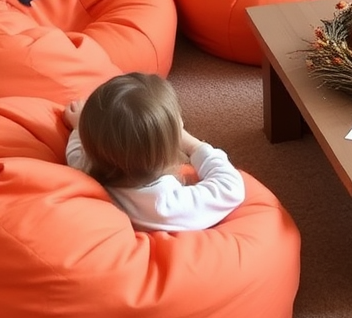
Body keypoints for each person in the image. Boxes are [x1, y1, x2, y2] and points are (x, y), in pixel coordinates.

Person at [63, 71, 245, 231]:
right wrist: (193, 144)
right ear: (169, 149)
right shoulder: (164, 205)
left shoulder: (85, 167)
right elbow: (230, 186)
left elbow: (76, 151)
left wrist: (79, 127)